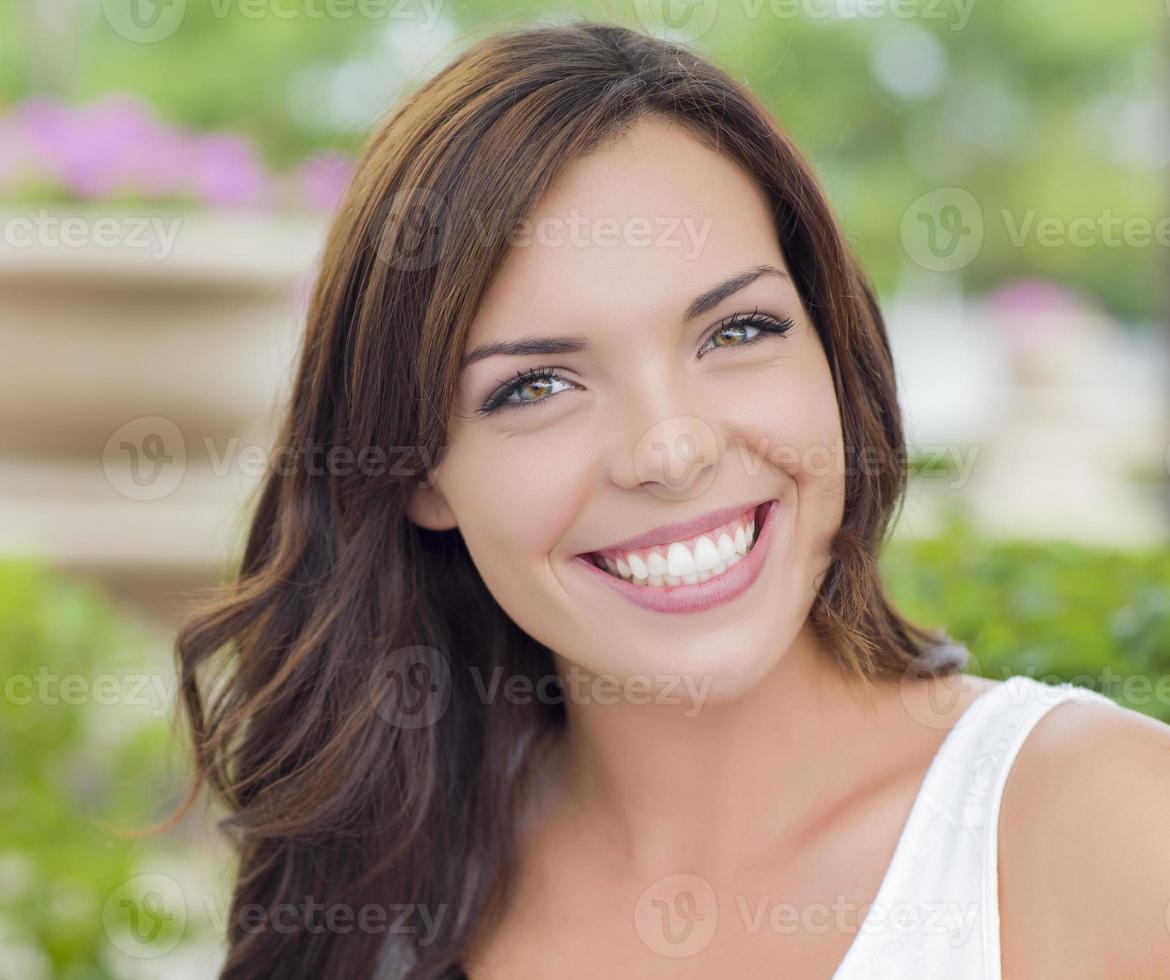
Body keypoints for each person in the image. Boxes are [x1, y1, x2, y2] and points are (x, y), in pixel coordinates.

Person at [173, 20, 1170, 979]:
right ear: (415, 471)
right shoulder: (377, 883)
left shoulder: (1108, 829)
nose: (672, 448)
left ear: (833, 349)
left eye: (735, 331)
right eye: (537, 385)